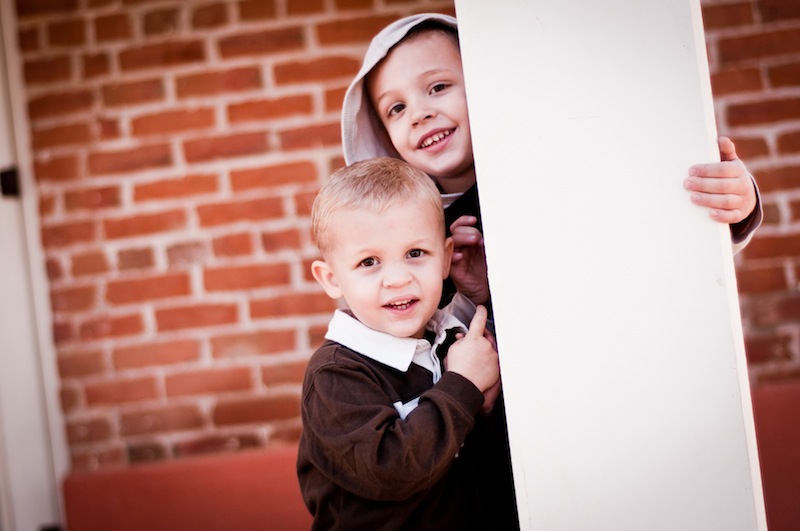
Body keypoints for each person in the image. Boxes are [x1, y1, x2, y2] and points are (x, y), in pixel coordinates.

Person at [338, 12, 765, 530]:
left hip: (614, 392)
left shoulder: (557, 169)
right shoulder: (407, 236)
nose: (420, 113)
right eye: (397, 107)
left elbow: (638, 234)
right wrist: (474, 296)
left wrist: (733, 204)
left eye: (439, 87)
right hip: (498, 443)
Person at [297, 157, 506, 530]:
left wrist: (482, 402)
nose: (397, 278)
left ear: (445, 258)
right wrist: (463, 387)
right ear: (331, 279)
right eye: (369, 262)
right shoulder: (336, 376)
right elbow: (391, 470)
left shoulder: (447, 338)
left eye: (415, 254)